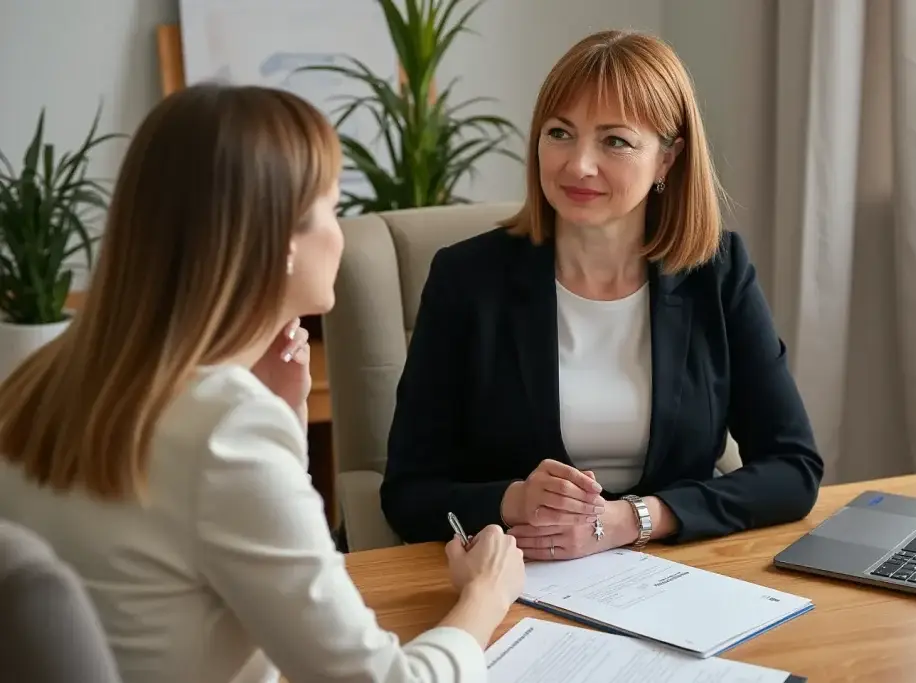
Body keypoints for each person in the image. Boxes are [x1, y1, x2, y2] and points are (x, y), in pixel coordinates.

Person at [0, 83, 524, 683]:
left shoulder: (41, 377)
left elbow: (224, 564)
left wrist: (283, 422)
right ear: (279, 243)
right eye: (331, 209)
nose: (341, 235)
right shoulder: (224, 429)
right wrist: (484, 598)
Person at [380, 30, 824, 561]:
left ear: (667, 159)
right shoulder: (466, 279)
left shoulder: (717, 271)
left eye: (615, 141)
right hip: (514, 572)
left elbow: (793, 468)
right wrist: (514, 500)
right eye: (560, 133)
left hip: (674, 569)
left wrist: (634, 518)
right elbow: (407, 493)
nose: (578, 165)